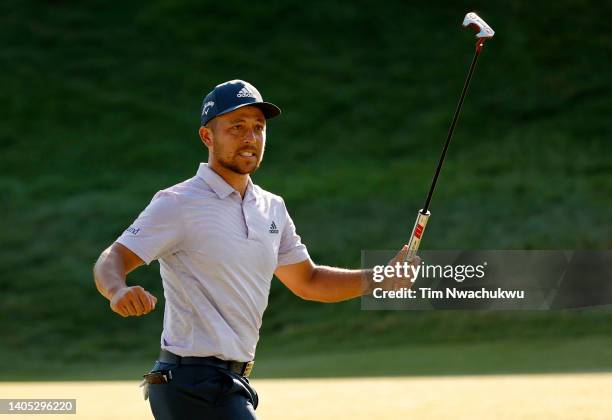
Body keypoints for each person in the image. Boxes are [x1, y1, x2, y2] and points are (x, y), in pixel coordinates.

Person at [93, 79, 416, 420]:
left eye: (258, 127)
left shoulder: (272, 207)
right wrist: (117, 290)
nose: (250, 138)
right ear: (207, 136)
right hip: (190, 384)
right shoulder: (178, 203)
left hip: (232, 382)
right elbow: (112, 258)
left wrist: (382, 278)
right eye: (236, 127)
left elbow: (309, 281)